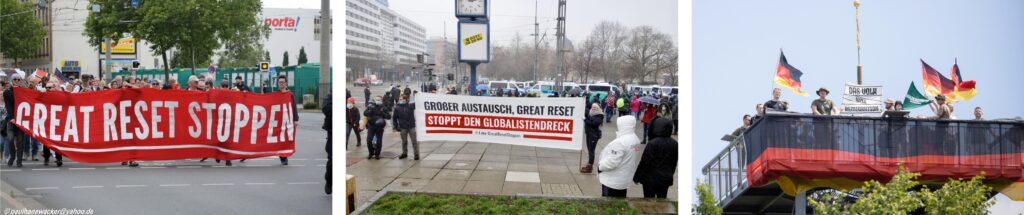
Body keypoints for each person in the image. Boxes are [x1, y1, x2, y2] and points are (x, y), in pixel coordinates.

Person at [598, 116, 642, 197]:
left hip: (612, 181)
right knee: (619, 202)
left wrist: (600, 167)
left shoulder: (620, 142)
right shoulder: (635, 139)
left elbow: (611, 163)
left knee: (609, 205)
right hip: (623, 180)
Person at [633, 117, 677, 198]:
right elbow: (674, 163)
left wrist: (637, 177)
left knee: (649, 202)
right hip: (665, 179)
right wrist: (670, 174)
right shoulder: (675, 144)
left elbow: (645, 162)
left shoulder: (653, 143)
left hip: (650, 180)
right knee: (662, 200)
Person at [5, 74, 26, 167]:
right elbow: (8, 106)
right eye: (15, 79)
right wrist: (11, 117)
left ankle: (19, 161)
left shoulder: (24, 91)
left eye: (18, 79)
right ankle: (12, 156)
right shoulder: (7, 92)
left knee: (20, 142)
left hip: (21, 120)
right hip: (11, 120)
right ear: (12, 80)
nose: (17, 80)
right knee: (10, 139)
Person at [277, 75, 298, 165]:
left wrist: (295, 119)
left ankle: (284, 157)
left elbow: (294, 107)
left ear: (285, 83)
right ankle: (282, 157)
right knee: (278, 140)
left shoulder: (290, 94)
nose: (281, 84)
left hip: (287, 121)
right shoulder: (275, 94)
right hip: (278, 121)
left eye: (282, 82)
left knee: (285, 139)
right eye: (279, 82)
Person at [392, 95, 419, 160]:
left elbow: (419, 102)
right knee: (404, 141)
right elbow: (394, 118)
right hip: (403, 127)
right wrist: (396, 126)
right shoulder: (397, 108)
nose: (401, 100)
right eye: (400, 99)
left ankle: (416, 154)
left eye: (402, 99)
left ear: (406, 99)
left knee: (414, 141)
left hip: (411, 126)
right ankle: (404, 153)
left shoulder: (411, 106)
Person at [581, 103, 604, 173]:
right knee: (589, 150)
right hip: (589, 134)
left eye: (595, 107)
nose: (593, 108)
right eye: (593, 107)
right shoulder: (590, 113)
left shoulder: (600, 115)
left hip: (594, 135)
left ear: (598, 108)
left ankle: (590, 166)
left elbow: (593, 123)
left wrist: (585, 120)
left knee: (591, 151)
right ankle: (589, 164)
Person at [323, 93, 333, 194]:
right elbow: (325, 108)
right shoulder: (329, 97)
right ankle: (329, 181)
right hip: (332, 131)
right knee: (332, 161)